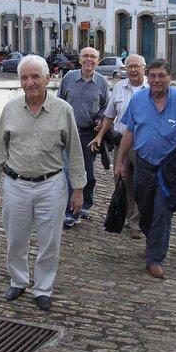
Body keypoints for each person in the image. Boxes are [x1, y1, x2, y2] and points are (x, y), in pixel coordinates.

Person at [0, 55, 86, 311]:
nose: (30, 82)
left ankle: (43, 288)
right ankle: (18, 281)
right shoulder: (10, 109)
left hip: (51, 184)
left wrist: (78, 189)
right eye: (24, 77)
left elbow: (74, 151)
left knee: (49, 240)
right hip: (16, 183)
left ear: (47, 79)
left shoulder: (63, 110)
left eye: (35, 77)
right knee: (16, 239)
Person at [115, 59, 176, 279]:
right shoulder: (138, 100)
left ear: (169, 77)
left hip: (170, 169)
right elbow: (129, 131)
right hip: (144, 164)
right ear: (148, 76)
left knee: (163, 211)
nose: (157, 80)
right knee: (145, 208)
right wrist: (120, 161)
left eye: (161, 75)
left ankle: (155, 258)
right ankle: (153, 238)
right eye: (153, 75)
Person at [89, 54, 148, 239]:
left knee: (142, 183)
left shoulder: (151, 88)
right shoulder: (119, 88)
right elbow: (109, 116)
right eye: (129, 66)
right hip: (122, 141)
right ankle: (130, 218)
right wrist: (99, 136)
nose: (132, 70)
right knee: (122, 180)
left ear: (143, 67)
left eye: (136, 66)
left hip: (143, 143)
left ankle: (138, 223)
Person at [57, 47, 109, 227]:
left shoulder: (102, 82)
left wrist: (101, 119)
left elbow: (106, 107)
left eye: (93, 56)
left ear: (98, 60)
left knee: (87, 173)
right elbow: (59, 102)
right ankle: (70, 212)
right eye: (85, 56)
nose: (89, 59)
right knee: (68, 172)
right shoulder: (69, 77)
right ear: (79, 59)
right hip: (67, 132)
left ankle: (85, 204)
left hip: (88, 134)